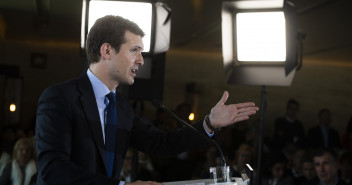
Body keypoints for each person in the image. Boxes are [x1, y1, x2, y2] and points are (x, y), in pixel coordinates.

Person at [35, 15, 259, 185]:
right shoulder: (59, 98)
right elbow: (53, 169)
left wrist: (209, 123)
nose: (141, 61)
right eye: (135, 50)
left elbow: (162, 144)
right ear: (107, 50)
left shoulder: (121, 105)